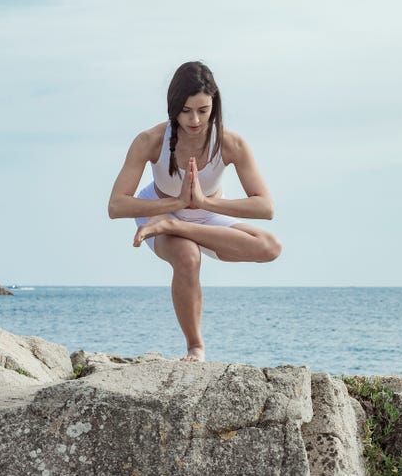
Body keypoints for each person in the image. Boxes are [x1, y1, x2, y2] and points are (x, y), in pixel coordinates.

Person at [108, 61, 282, 362]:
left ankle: (175, 227)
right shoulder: (150, 141)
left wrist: (204, 203)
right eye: (186, 110)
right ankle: (195, 347)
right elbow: (116, 205)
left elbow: (265, 207)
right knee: (188, 257)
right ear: (173, 106)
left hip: (206, 215)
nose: (195, 120)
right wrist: (173, 206)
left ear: (214, 105)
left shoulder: (231, 143)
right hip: (159, 210)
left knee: (270, 247)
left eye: (204, 110)